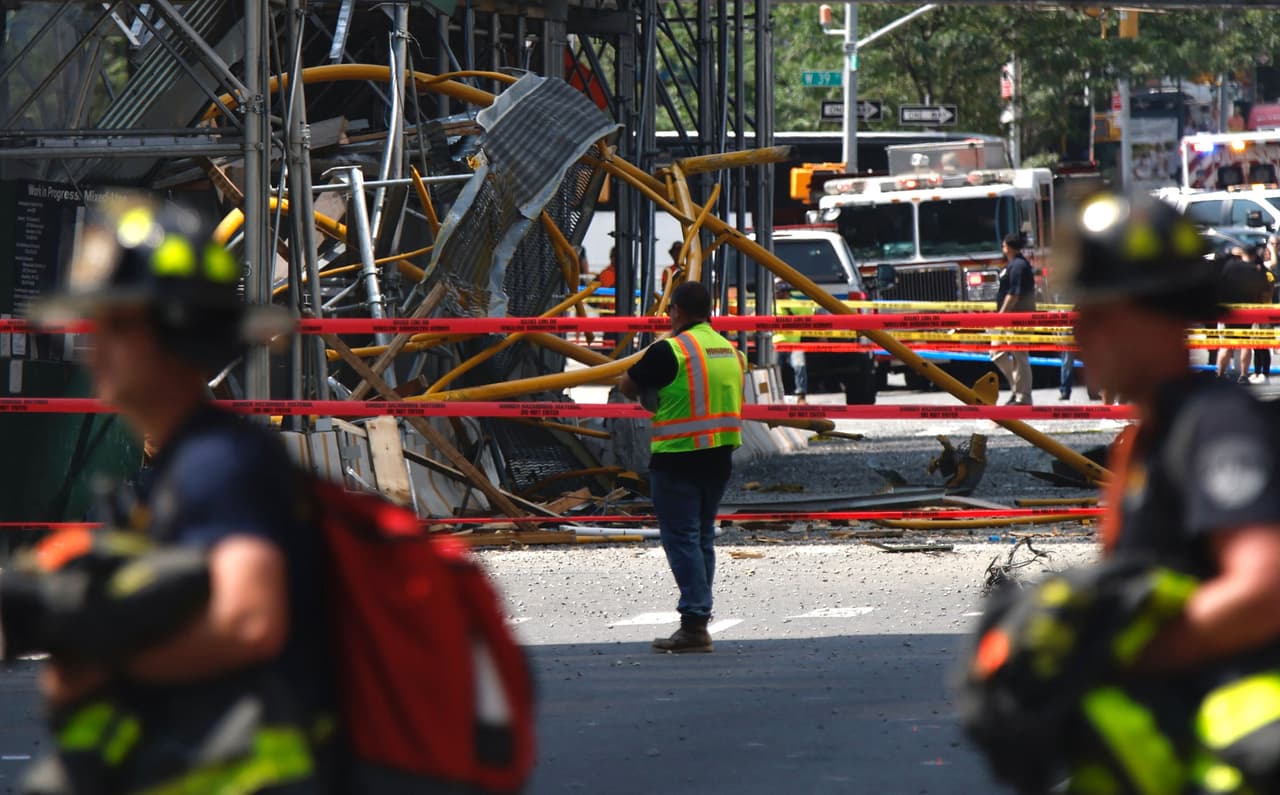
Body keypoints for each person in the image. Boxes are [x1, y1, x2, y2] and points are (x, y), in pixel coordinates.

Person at [26, 198, 333, 794]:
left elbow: (248, 622)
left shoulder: (216, 465)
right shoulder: (191, 459)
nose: (94, 349)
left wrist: (98, 657)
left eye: (116, 326)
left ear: (170, 335)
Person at [1054, 191, 1280, 791]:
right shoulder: (1150, 436)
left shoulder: (1212, 425)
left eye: (1095, 315)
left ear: (1151, 316)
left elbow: (1265, 589)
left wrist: (1114, 660)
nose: (1079, 336)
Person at [619, 281, 746, 654]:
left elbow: (628, 385)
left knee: (682, 539)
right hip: (719, 455)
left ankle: (694, 623)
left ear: (675, 311)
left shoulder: (670, 350)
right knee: (702, 536)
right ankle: (698, 617)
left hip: (677, 457)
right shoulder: (732, 351)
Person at [992, 232, 1036, 405]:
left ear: (1008, 247)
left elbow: (1013, 294)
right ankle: (1016, 388)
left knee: (1020, 357)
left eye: (1003, 246)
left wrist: (1000, 316)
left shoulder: (1018, 266)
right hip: (1009, 318)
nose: (1002, 249)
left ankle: (1024, 396)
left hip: (1018, 318)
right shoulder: (1011, 265)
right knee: (997, 352)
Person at [773, 279, 809, 404]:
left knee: (800, 366)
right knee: (774, 369)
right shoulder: (770, 304)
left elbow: (811, 317)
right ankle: (777, 396)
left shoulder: (797, 304)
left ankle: (801, 397)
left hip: (794, 344)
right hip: (776, 344)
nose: (777, 293)